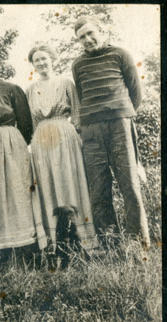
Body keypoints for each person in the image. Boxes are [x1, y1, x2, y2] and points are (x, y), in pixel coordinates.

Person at [72, 16, 150, 249]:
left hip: (119, 126)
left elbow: (136, 94)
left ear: (100, 31)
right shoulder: (78, 64)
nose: (87, 40)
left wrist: (120, 114)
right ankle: (111, 245)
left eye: (90, 34)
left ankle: (138, 244)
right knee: (98, 192)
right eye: (81, 37)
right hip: (91, 132)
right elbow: (82, 94)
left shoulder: (121, 54)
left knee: (130, 187)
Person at [0, 48, 47, 251]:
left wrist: (17, 145)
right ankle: (0, 246)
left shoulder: (12, 89)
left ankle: (25, 244)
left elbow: (25, 123)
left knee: (17, 189)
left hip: (13, 143)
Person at [26, 44, 98, 254]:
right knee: (47, 185)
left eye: (44, 58)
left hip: (66, 137)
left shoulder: (66, 83)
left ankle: (82, 239)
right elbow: (31, 122)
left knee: (70, 182)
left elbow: (76, 115)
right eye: (36, 60)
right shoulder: (30, 90)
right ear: (33, 65)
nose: (41, 63)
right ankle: (53, 242)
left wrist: (78, 138)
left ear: (52, 59)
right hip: (41, 141)